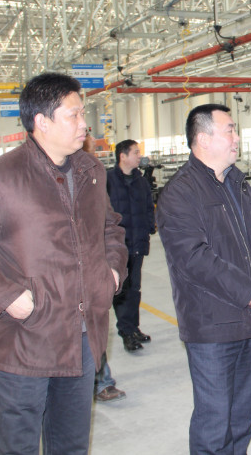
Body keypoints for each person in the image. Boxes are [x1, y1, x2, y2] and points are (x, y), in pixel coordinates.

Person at [0, 72, 128, 455]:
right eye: (73, 115)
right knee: (15, 447)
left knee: (71, 446)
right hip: (25, 342)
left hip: (83, 338)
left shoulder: (90, 171)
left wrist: (111, 273)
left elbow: (110, 228)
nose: (84, 124)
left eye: (83, 114)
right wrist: (3, 295)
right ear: (42, 121)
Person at [156, 104, 251, 455]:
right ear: (203, 139)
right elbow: (194, 258)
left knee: (240, 419)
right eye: (230, 130)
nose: (236, 137)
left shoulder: (238, 185)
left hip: (250, 319)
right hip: (212, 327)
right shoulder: (180, 193)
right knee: (214, 423)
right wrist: (249, 291)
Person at [82, 133, 127, 403]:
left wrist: (113, 267)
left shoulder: (93, 174)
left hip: (93, 269)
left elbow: (109, 224)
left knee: (93, 328)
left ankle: (101, 381)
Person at [107, 139, 156, 352]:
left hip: (137, 243)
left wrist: (149, 228)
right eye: (135, 152)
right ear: (123, 156)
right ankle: (126, 331)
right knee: (122, 290)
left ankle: (134, 328)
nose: (139, 156)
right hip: (117, 247)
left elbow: (148, 207)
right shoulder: (108, 180)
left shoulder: (141, 181)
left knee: (134, 288)